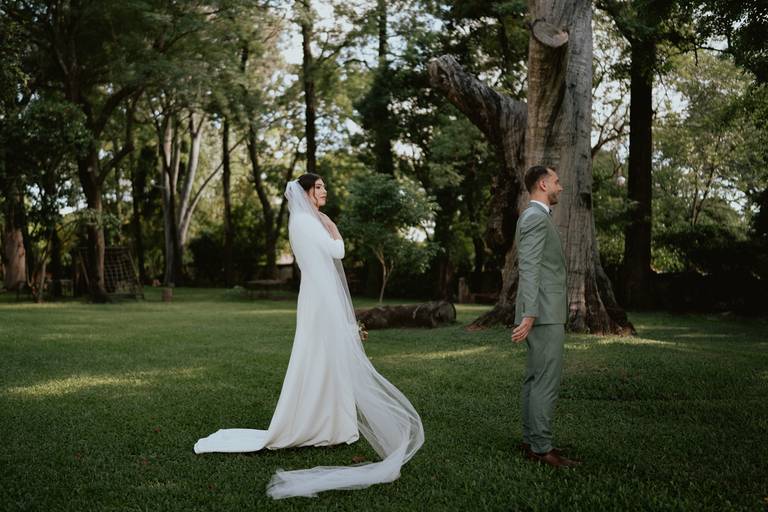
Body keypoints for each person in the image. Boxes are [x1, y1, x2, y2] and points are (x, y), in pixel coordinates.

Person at [194, 173, 424, 498]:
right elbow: (338, 251)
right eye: (319, 187)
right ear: (305, 193)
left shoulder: (304, 220)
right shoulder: (307, 222)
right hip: (320, 300)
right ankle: (319, 423)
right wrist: (333, 226)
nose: (324, 190)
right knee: (318, 357)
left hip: (318, 297)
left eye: (324, 186)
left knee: (326, 359)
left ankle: (335, 424)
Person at [511, 165, 580, 468]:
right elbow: (528, 267)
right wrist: (530, 313)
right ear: (542, 184)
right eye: (556, 181)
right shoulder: (535, 218)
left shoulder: (534, 217)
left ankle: (532, 441)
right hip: (544, 312)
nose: (560, 186)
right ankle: (541, 448)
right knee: (545, 380)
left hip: (542, 310)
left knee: (535, 377)